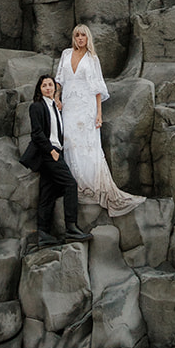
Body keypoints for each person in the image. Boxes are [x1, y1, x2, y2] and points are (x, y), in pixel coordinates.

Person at [54, 24, 145, 216]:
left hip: (87, 106)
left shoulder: (92, 59)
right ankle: (76, 185)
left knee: (88, 145)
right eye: (77, 35)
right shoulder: (66, 54)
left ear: (88, 38)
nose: (80, 38)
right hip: (69, 105)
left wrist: (99, 114)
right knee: (69, 141)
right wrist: (56, 98)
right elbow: (59, 80)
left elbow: (97, 89)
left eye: (83, 36)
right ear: (74, 37)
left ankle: (92, 186)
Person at [19, 74, 89, 245]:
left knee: (47, 193)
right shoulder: (37, 106)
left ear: (55, 88)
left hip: (55, 152)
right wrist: (51, 151)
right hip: (48, 153)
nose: (48, 88)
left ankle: (43, 233)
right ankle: (71, 228)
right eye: (44, 86)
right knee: (70, 184)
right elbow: (37, 133)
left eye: (50, 85)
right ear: (40, 89)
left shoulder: (54, 106)